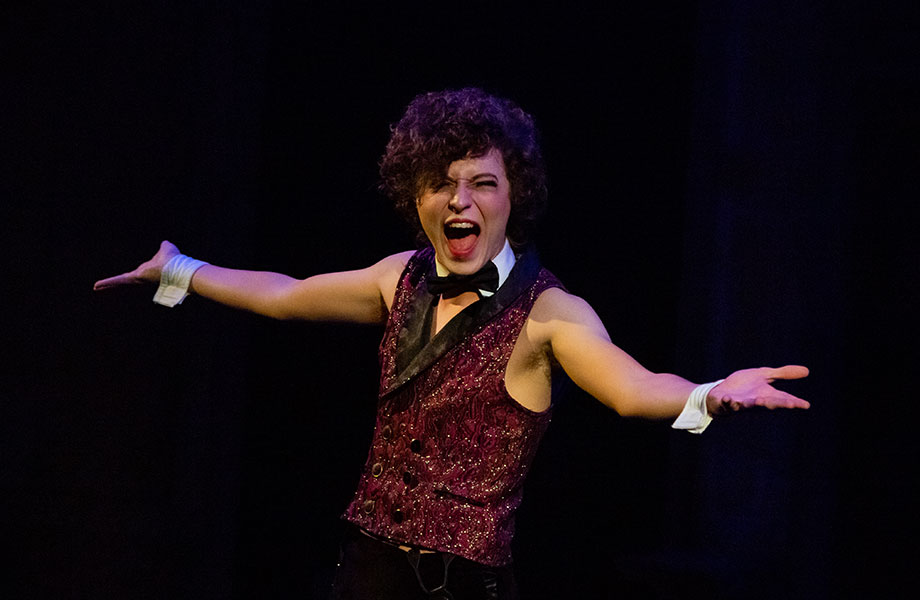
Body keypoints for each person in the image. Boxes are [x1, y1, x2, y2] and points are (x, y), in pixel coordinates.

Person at [94, 88, 809, 599]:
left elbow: (629, 388)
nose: (460, 200)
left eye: (482, 183)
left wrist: (710, 394)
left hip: (459, 587)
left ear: (512, 199)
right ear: (417, 199)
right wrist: (181, 269)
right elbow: (286, 295)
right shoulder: (396, 278)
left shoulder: (549, 312)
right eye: (441, 184)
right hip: (366, 572)